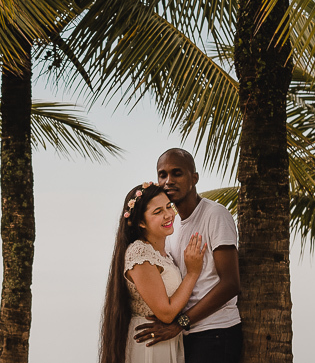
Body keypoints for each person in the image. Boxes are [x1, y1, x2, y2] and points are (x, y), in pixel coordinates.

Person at [134, 149, 242, 363]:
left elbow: (231, 284)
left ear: (194, 178)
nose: (168, 181)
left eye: (177, 173)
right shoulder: (172, 227)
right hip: (187, 335)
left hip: (216, 333)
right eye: (162, 175)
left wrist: (180, 323)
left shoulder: (215, 215)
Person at [99, 182, 208, 363]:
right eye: (158, 212)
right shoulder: (139, 253)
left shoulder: (163, 254)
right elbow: (166, 313)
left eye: (168, 207)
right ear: (141, 222)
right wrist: (192, 273)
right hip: (150, 345)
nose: (168, 215)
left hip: (164, 342)